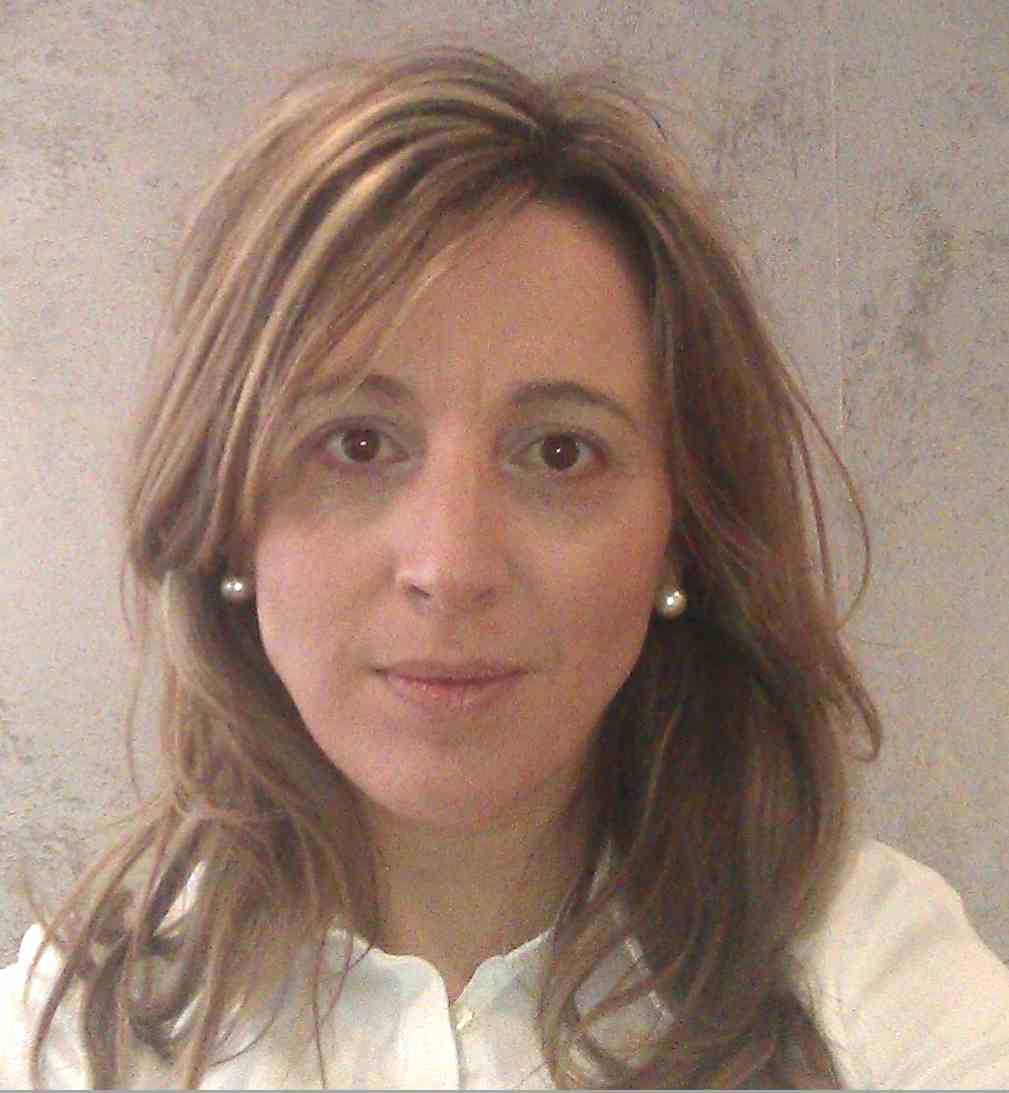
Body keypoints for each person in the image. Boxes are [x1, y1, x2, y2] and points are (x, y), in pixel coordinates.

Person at [2, 44, 1007, 1090]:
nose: (451, 565)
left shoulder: (875, 992)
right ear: (227, 514)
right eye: (357, 443)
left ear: (680, 530)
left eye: (559, 452)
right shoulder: (71, 1043)